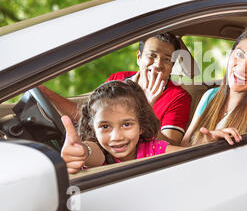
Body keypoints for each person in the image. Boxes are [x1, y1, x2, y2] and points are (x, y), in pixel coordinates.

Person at [40, 32, 192, 146]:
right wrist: (46, 93)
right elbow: (87, 117)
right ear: (139, 57)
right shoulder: (118, 79)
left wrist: (146, 109)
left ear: (172, 66)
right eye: (152, 55)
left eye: (167, 59)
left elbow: (170, 145)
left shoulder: (178, 97)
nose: (158, 64)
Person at [61, 80, 233, 174]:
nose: (116, 137)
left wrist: (207, 144)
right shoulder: (99, 151)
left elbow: (187, 155)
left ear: (141, 126)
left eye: (126, 124)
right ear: (93, 128)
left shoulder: (153, 148)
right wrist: (83, 151)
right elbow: (92, 153)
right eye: (105, 126)